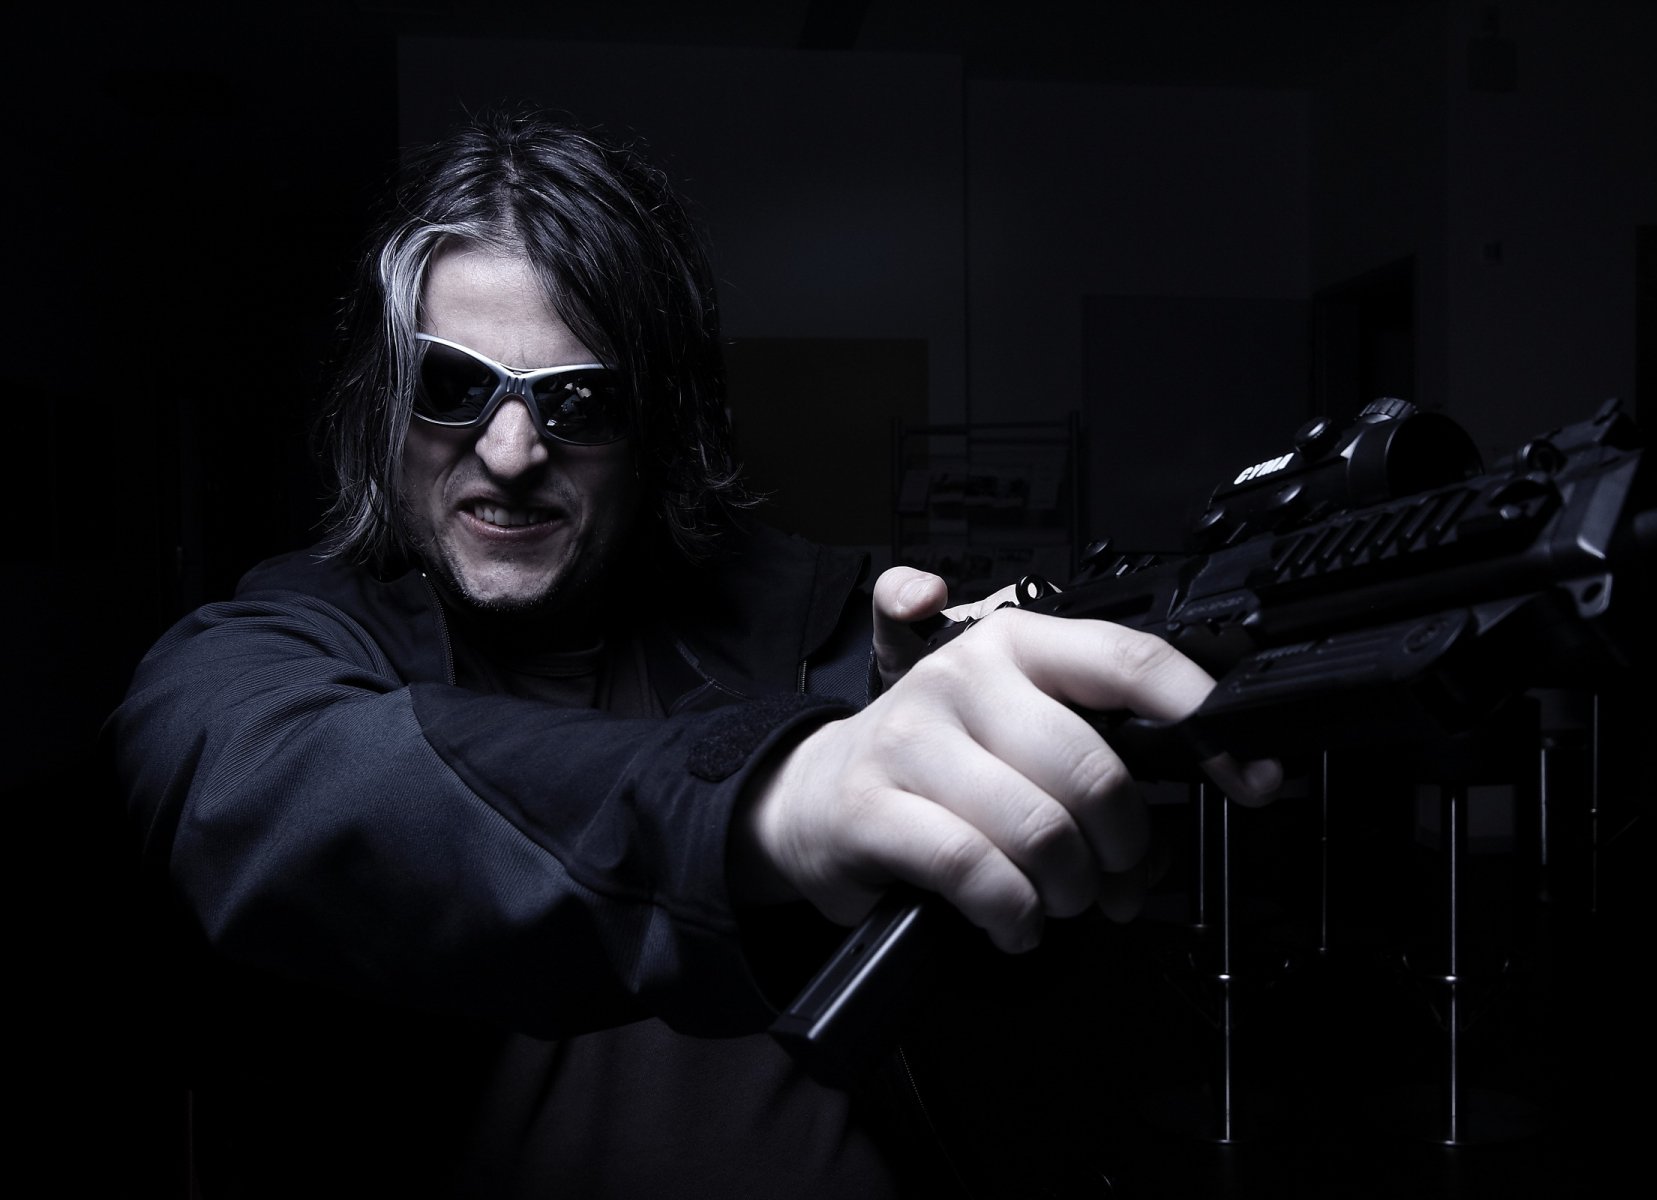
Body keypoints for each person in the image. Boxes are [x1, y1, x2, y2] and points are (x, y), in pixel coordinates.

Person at [109, 106, 1280, 1199]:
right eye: (452, 386)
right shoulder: (290, 646)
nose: (511, 451)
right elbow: (259, 786)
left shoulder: (828, 629)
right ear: (387, 406)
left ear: (655, 429)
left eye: (578, 403)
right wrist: (770, 802)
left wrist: (970, 734)